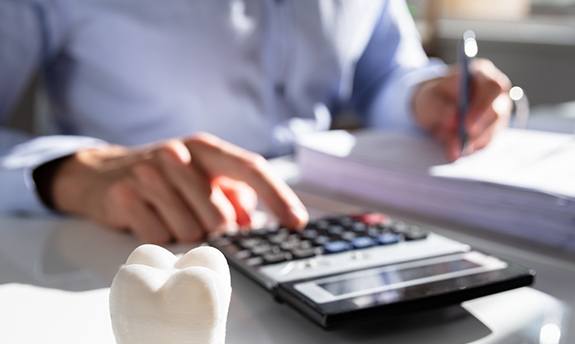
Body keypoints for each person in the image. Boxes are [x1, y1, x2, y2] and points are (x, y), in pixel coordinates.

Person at [0, 0, 511, 243]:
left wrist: (426, 96)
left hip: (331, 228)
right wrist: (70, 171)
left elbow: (382, 77)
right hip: (135, 242)